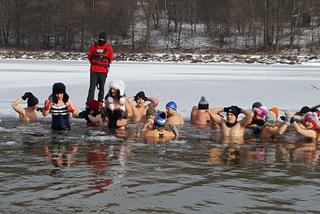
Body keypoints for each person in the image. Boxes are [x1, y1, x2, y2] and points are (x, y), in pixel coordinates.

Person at [87, 31, 113, 102]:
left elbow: (89, 56)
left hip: (95, 70)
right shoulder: (109, 48)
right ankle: (98, 102)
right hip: (101, 71)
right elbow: (110, 59)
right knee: (101, 88)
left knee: (92, 88)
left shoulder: (94, 46)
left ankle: (91, 102)